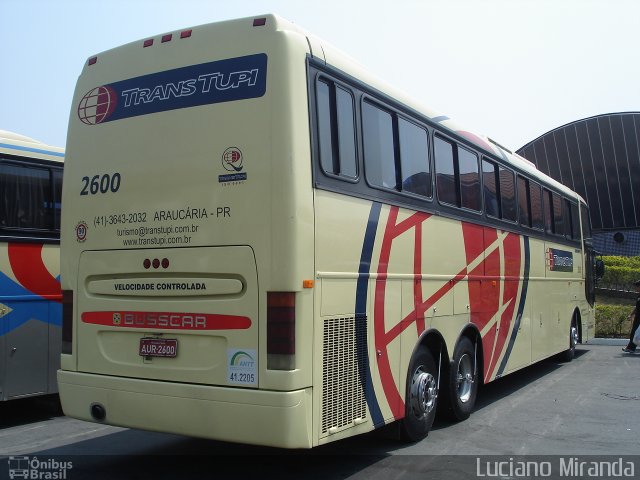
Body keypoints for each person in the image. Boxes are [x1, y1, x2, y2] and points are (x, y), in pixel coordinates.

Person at [622, 280, 640, 353]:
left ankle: (631, 347)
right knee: (634, 332)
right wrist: (631, 314)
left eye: (637, 287)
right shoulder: (639, 296)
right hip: (638, 317)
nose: (636, 289)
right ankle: (631, 347)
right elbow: (637, 307)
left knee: (636, 333)